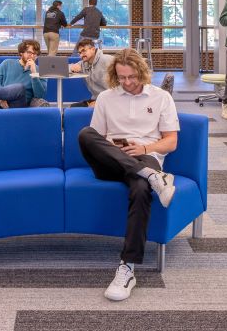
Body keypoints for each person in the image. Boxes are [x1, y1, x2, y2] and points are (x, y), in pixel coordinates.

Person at [77, 48, 179, 302]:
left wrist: (144, 148)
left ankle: (128, 268)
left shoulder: (161, 97)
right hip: (110, 162)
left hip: (146, 155)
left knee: (141, 188)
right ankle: (152, 176)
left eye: (132, 77)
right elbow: (96, 139)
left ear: (142, 73)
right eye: (122, 78)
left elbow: (171, 142)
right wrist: (115, 149)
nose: (127, 82)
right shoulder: (106, 98)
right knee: (85, 134)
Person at [68, 37, 114, 108]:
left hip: (110, 100)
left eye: (84, 51)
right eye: (80, 53)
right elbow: (66, 67)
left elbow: (119, 86)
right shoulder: (84, 63)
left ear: (93, 49)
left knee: (90, 108)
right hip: (95, 99)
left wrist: (99, 102)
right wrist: (72, 67)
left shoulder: (107, 60)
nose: (81, 55)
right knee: (71, 109)